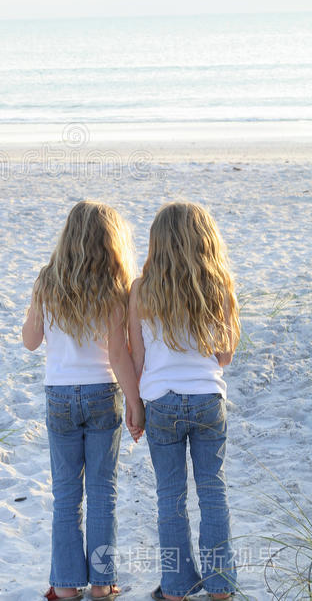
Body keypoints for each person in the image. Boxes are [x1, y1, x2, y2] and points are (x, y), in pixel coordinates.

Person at [22, 200, 145, 600]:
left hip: (58, 394)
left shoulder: (47, 280)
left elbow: (31, 341)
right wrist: (134, 400)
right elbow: (116, 354)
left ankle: (64, 585)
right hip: (101, 393)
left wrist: (35, 308)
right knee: (103, 491)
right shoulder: (114, 286)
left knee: (66, 495)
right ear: (110, 242)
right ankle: (102, 582)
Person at [128, 202, 240, 601]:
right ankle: (220, 587)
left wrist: (136, 406)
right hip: (209, 398)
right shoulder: (218, 283)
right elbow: (224, 356)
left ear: (157, 243)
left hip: (161, 402)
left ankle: (176, 588)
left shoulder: (141, 288)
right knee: (213, 491)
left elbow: (138, 357)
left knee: (170, 497)